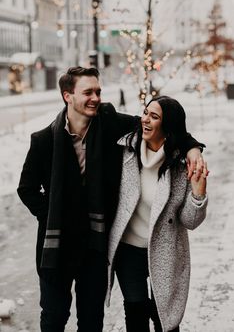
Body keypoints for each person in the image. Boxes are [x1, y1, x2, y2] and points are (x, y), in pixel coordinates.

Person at [17, 66, 204, 332]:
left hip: (95, 245)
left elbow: (166, 128)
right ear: (67, 96)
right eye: (88, 92)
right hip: (56, 246)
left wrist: (193, 148)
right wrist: (52, 214)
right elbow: (26, 188)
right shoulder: (44, 140)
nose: (95, 97)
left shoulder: (111, 124)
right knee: (53, 318)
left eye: (98, 91)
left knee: (92, 321)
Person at [106, 96, 209, 332]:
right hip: (128, 249)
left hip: (166, 250)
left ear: (168, 125)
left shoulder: (183, 164)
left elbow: (190, 222)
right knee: (135, 313)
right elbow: (105, 114)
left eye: (154, 116)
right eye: (145, 113)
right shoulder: (125, 150)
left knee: (166, 319)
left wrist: (198, 192)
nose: (145, 120)